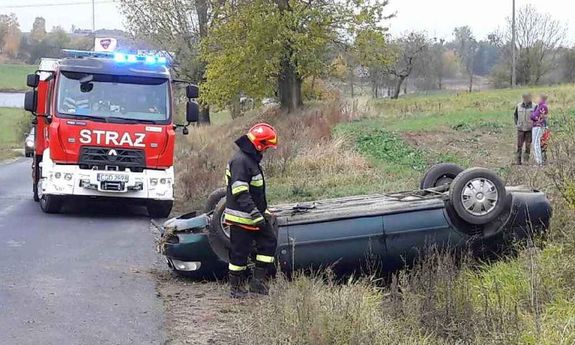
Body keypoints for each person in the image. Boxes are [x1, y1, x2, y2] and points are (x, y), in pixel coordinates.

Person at [224, 123, 278, 298]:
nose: (266, 151)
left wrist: (264, 211)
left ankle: (257, 282)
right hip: (242, 218)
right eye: (266, 147)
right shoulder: (241, 161)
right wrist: (256, 214)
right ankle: (236, 288)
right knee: (239, 253)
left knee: (269, 242)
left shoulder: (250, 160)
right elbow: (240, 192)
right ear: (259, 145)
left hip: (254, 215)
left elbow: (256, 192)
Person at [513, 93, 535, 165]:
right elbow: (515, 115)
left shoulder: (535, 106)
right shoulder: (518, 106)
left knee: (528, 145)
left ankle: (526, 160)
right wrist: (517, 123)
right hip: (520, 129)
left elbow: (537, 117)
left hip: (530, 129)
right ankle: (518, 161)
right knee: (519, 145)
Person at [531, 94, 549, 166]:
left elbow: (536, 116)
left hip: (539, 126)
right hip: (536, 125)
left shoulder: (543, 106)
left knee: (536, 143)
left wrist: (534, 116)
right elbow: (533, 115)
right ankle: (538, 161)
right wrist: (534, 116)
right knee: (535, 143)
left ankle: (539, 162)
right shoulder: (538, 106)